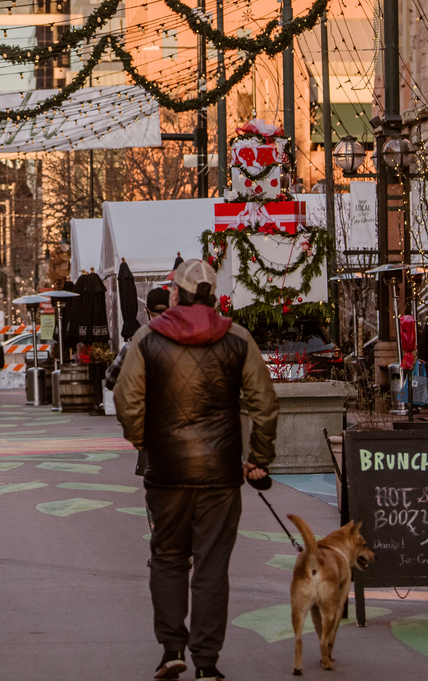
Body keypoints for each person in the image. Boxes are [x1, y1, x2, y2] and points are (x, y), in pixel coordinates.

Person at [114, 258, 278, 681]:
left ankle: (172, 649)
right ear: (212, 294)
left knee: (168, 558)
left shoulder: (147, 338)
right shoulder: (237, 338)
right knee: (211, 565)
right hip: (220, 473)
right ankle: (207, 662)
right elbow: (264, 403)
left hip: (165, 470)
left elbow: (126, 398)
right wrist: (258, 457)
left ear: (175, 293)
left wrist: (143, 441)